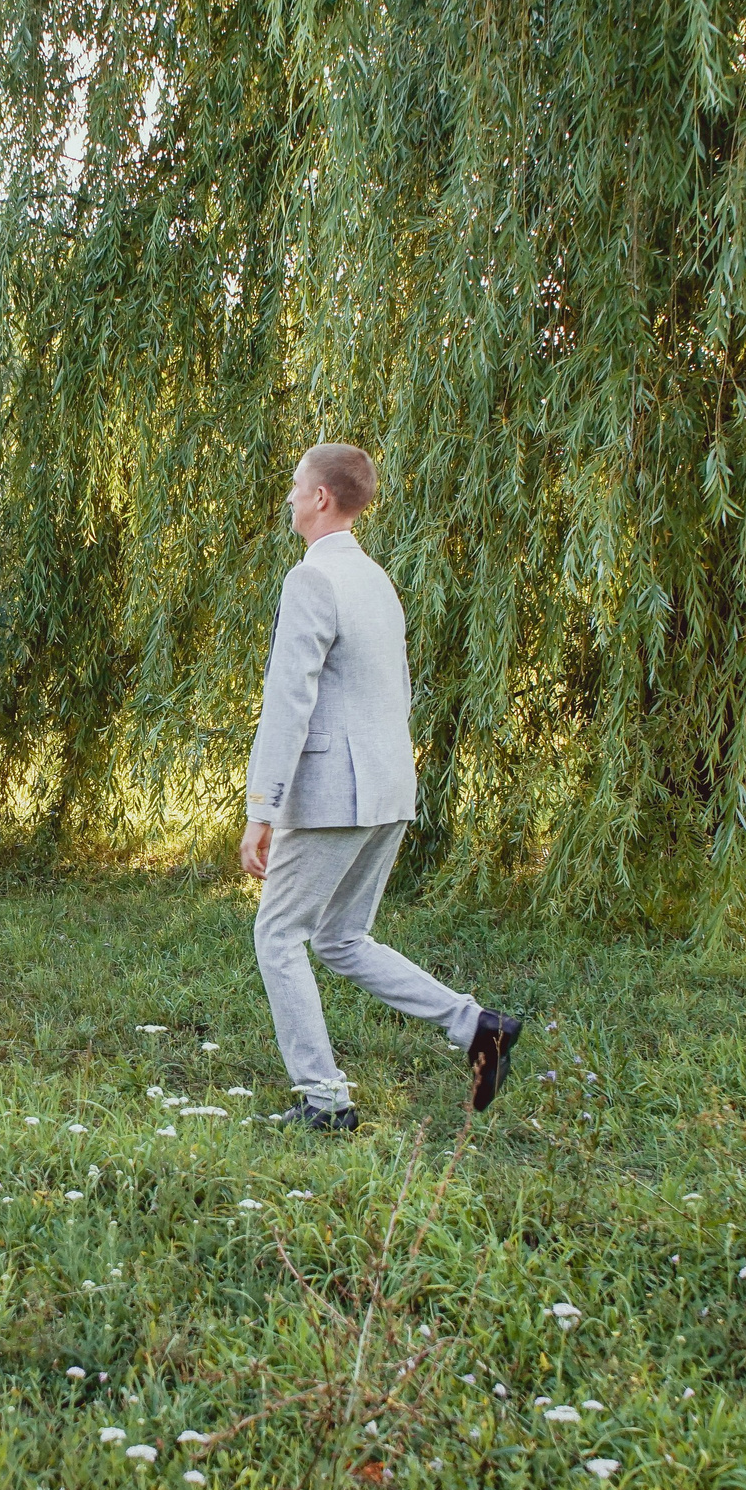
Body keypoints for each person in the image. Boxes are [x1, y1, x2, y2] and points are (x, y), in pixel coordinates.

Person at [242, 443, 519, 1129]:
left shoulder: (311, 581)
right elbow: (396, 691)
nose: (289, 496)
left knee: (278, 935)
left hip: (339, 792)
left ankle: (325, 1101)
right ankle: (474, 1024)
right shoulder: (376, 579)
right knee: (340, 939)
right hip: (390, 785)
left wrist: (261, 807)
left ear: (321, 499)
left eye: (296, 485)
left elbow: (289, 701)